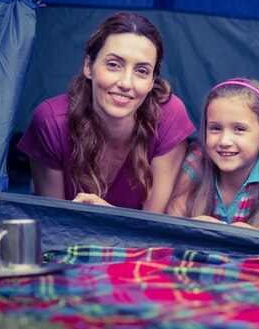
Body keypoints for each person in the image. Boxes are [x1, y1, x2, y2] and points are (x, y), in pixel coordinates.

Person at [17, 12, 195, 212]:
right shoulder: (51, 122)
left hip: (140, 242)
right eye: (113, 65)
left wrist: (108, 215)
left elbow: (153, 226)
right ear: (88, 66)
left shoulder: (169, 116)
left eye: (142, 71)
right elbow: (55, 224)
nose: (125, 83)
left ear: (152, 81)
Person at [165, 78, 259, 233]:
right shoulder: (196, 163)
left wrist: (247, 235)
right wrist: (200, 225)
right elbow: (173, 225)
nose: (224, 141)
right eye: (215, 128)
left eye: (239, 129)